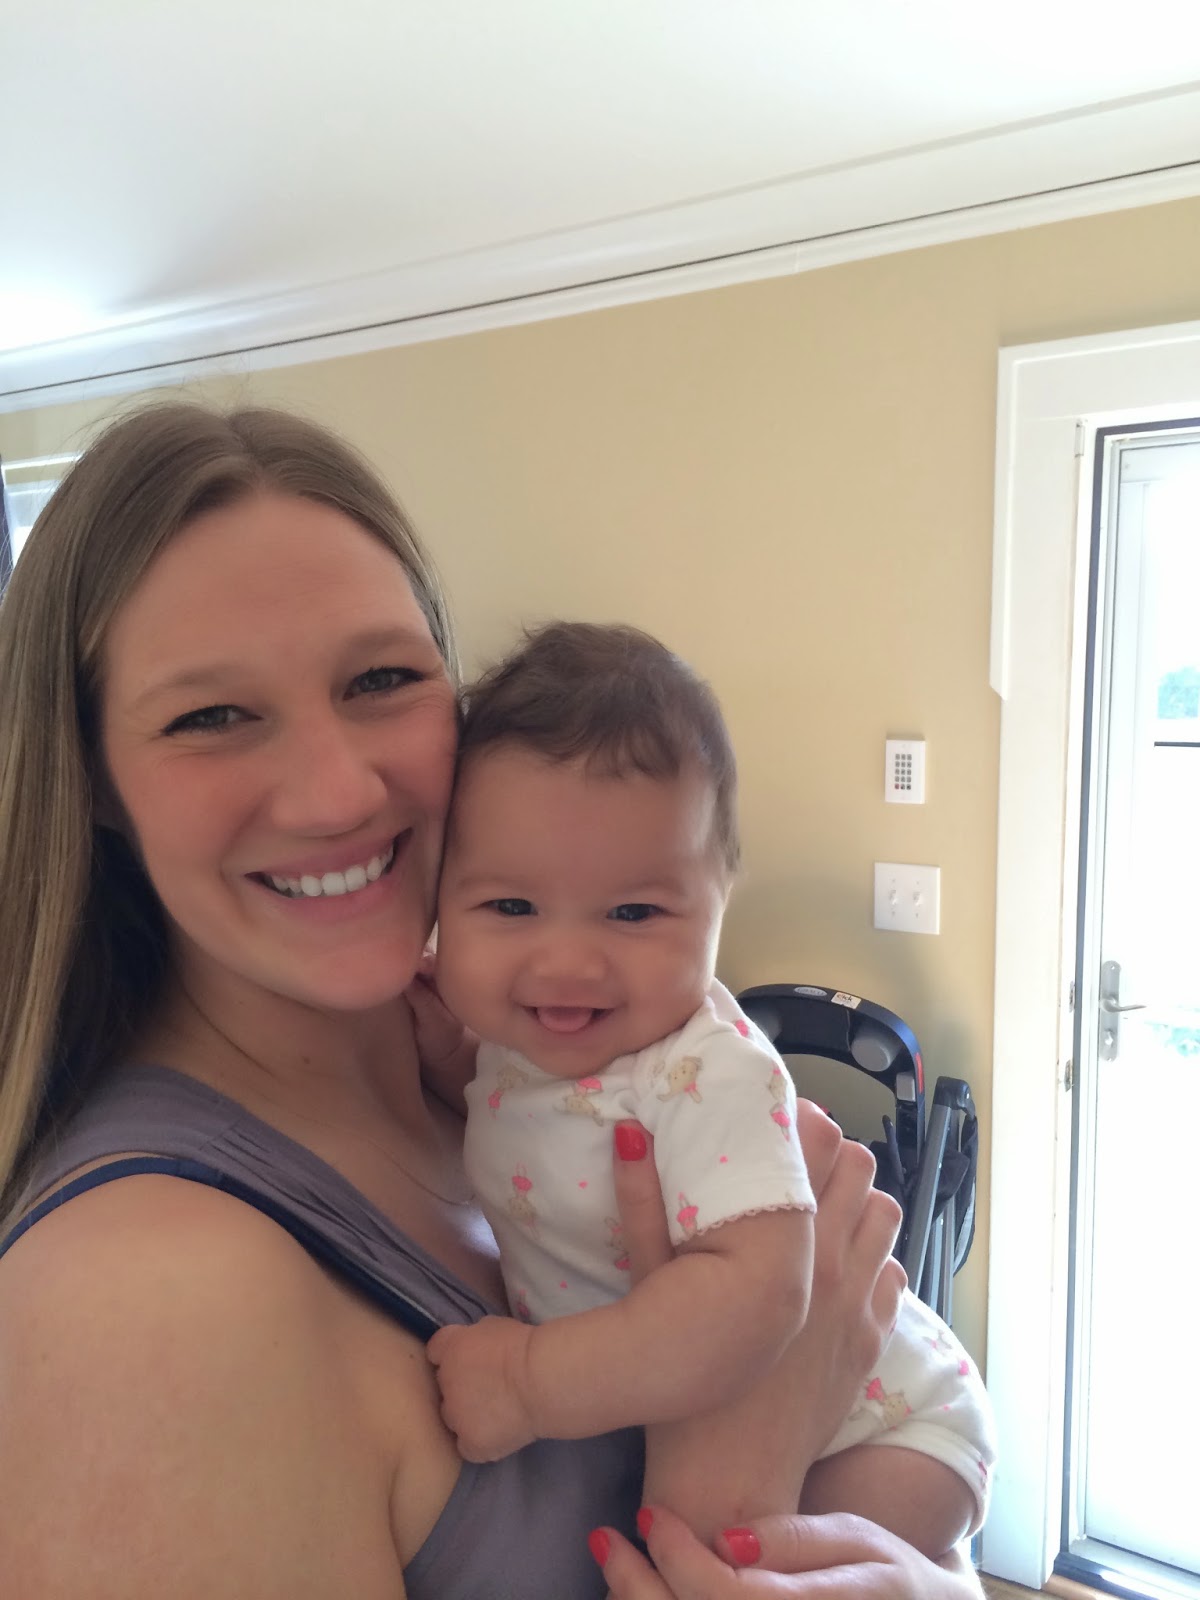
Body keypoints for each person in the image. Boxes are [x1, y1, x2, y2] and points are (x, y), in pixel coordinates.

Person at [0, 400, 987, 1599]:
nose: (335, 791)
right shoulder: (142, 1307)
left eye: (382, 678)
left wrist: (924, 1581)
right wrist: (736, 1465)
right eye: (211, 715)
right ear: (94, 780)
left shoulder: (498, 1065)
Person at [422, 622, 995, 1548]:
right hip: (755, 1423)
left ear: (723, 895)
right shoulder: (516, 1049)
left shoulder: (704, 1075)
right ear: (439, 901)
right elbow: (536, 1129)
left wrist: (532, 1383)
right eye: (511, 906)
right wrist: (446, 1059)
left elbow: (759, 1296)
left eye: (633, 912)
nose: (566, 962)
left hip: (888, 1429)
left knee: (746, 1571)